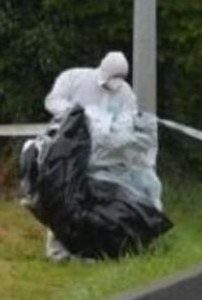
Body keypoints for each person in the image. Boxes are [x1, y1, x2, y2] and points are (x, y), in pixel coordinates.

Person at [40, 51, 138, 261]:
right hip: (68, 151)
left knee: (93, 203)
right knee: (63, 198)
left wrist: (110, 135)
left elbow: (126, 125)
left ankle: (88, 248)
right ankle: (58, 251)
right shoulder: (74, 78)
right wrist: (80, 114)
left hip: (102, 157)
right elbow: (52, 101)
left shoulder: (125, 93)